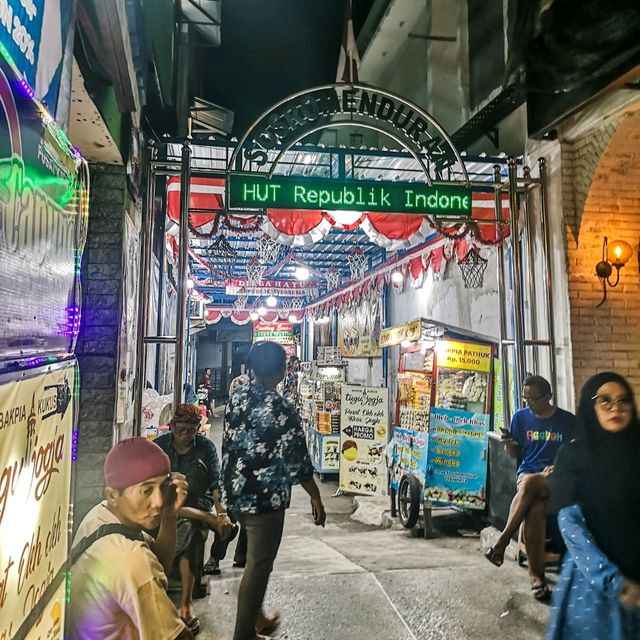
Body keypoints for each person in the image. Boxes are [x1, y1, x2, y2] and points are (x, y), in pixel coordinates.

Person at [222, 341, 327, 640]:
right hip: (265, 499)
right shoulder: (279, 407)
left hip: (236, 492)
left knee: (254, 560)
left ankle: (260, 618)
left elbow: (229, 445)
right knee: (258, 566)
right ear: (282, 371)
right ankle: (244, 635)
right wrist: (315, 496)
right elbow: (297, 458)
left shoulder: (236, 397)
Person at [67, 437, 194, 640]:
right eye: (146, 490)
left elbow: (159, 563)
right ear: (113, 496)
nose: (159, 502)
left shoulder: (100, 515)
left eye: (164, 487)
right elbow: (175, 636)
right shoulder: (130, 558)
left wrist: (170, 515)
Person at [547, 372, 640, 639]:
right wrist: (614, 583)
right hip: (595, 584)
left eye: (623, 401)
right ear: (591, 407)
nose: (616, 408)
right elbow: (570, 523)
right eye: (605, 401)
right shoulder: (574, 454)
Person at [484, 375, 578, 600]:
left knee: (530, 482)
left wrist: (559, 467)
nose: (528, 404)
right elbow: (514, 455)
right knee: (533, 506)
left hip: (556, 479)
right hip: (528, 476)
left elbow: (579, 454)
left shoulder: (567, 421)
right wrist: (510, 446)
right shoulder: (520, 418)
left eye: (533, 399)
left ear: (548, 397)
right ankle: (538, 580)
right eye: (525, 399)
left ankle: (503, 541)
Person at [154, 403, 237, 634]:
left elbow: (215, 482)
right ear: (172, 425)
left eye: (192, 426)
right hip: (165, 504)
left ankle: (187, 602)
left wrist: (220, 512)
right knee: (193, 522)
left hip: (197, 500)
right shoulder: (160, 447)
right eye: (182, 425)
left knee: (195, 530)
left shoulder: (205, 447)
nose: (187, 430)